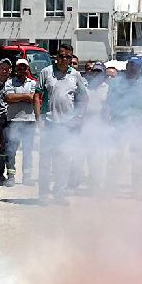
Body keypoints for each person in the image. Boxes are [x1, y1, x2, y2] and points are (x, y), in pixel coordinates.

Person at [36, 43, 88, 203]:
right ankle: (43, 195)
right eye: (61, 56)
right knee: (45, 160)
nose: (64, 59)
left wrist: (79, 117)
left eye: (68, 56)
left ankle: (59, 194)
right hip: (49, 122)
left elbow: (84, 98)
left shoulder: (75, 75)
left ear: (71, 58)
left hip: (67, 125)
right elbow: (37, 97)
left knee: (63, 160)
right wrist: (39, 119)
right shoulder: (46, 72)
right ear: (56, 57)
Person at [106, 56, 142, 192]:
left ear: (139, 68)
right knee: (115, 155)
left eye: (135, 66)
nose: (132, 68)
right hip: (119, 124)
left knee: (138, 157)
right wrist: (107, 120)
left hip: (139, 126)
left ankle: (137, 187)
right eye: (130, 65)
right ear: (127, 67)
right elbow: (109, 103)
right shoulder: (116, 83)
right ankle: (110, 186)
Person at [4, 57, 40, 186]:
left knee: (28, 150)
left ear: (28, 69)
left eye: (24, 67)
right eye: (19, 67)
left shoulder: (33, 83)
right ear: (16, 69)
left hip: (29, 120)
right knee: (11, 149)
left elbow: (33, 99)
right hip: (13, 120)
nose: (22, 69)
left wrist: (17, 97)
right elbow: (9, 97)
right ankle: (11, 176)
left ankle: (27, 176)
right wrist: (25, 97)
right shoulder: (9, 82)